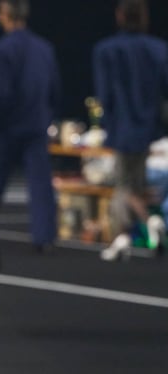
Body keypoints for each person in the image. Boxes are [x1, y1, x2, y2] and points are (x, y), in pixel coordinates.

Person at [0, 0, 61, 251]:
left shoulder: (1, 50)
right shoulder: (44, 48)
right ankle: (44, 237)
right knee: (40, 183)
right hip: (36, 125)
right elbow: (53, 89)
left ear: (5, 15)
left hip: (8, 127)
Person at [93, 0, 168, 261]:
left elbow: (105, 94)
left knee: (124, 184)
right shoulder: (158, 49)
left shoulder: (107, 50)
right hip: (148, 127)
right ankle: (122, 237)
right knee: (133, 183)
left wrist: (107, 124)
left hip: (123, 126)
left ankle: (150, 222)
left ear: (120, 16)